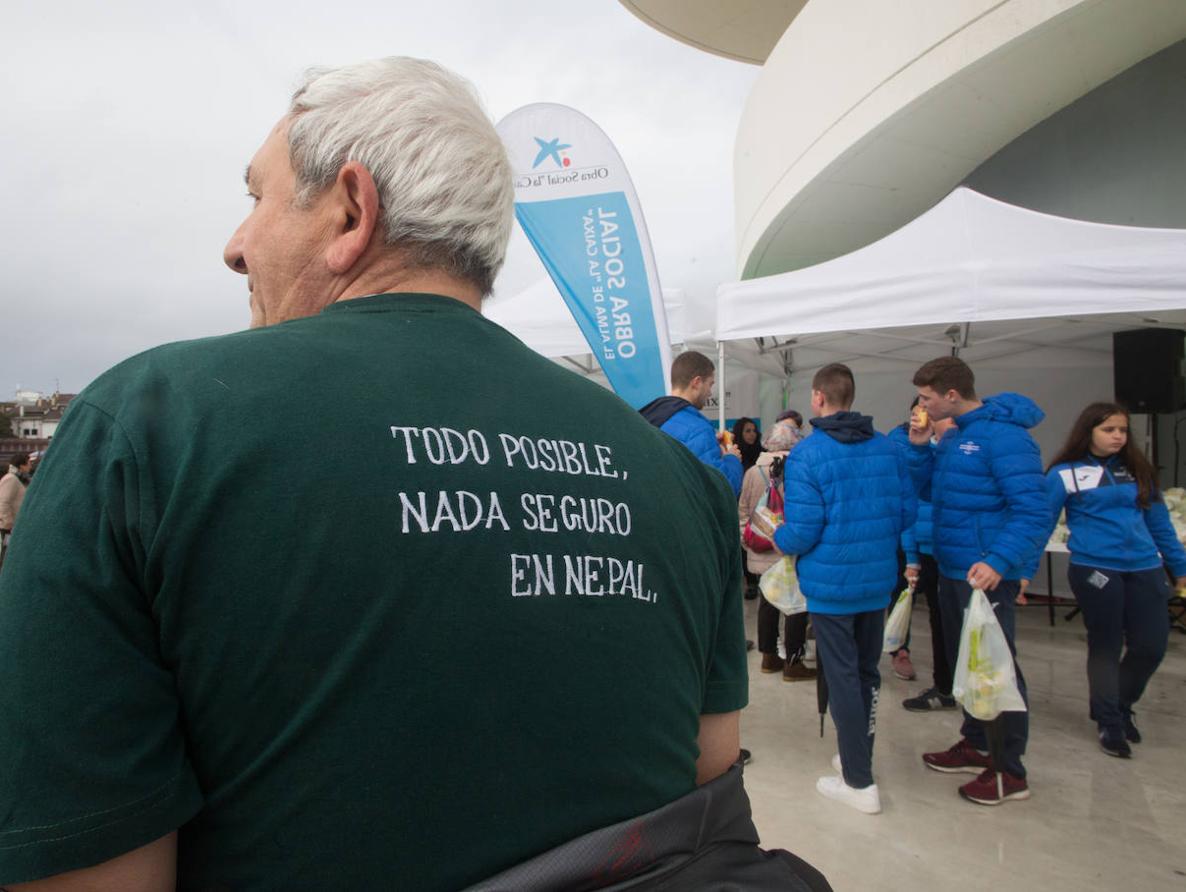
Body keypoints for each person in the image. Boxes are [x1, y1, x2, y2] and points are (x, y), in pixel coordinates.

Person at [0, 58, 781, 890]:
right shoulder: (678, 476)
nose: (235, 247)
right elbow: (708, 805)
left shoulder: (147, 431)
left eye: (255, 199)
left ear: (350, 208)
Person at [754, 364, 915, 815]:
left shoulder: (810, 455)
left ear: (819, 399)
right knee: (866, 673)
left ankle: (859, 782)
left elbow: (802, 532)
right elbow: (905, 516)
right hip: (876, 581)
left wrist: (776, 535)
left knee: (842, 675)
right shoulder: (887, 448)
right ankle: (855, 756)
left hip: (830, 586)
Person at [906, 356, 1048, 806]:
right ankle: (977, 743)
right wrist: (916, 447)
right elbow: (930, 492)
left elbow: (1033, 510)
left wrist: (1001, 560)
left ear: (951, 394)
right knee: (969, 667)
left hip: (983, 575)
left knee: (995, 669)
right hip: (951, 569)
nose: (922, 407)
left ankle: (1009, 770)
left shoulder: (1005, 439)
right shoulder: (953, 438)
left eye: (927, 398)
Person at [1039, 402, 1186, 758]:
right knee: (1104, 644)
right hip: (1094, 568)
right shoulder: (1064, 473)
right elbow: (1041, 522)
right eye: (1109, 430)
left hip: (1144, 567)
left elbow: (1160, 525)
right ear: (1088, 432)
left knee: (1151, 645)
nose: (1118, 436)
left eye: (1122, 430)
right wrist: (1024, 573)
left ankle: (1120, 702)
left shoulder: (1138, 470)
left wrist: (1180, 568)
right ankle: (1110, 721)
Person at [888, 403, 958, 710]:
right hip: (918, 544)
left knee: (945, 618)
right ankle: (900, 650)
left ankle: (950, 684)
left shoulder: (962, 446)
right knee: (905, 599)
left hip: (953, 549)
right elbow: (907, 499)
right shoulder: (903, 441)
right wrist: (912, 554)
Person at [738, 416, 815, 682]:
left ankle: (768, 657)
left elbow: (743, 512)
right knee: (794, 605)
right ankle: (793, 663)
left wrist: (746, 540)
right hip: (790, 548)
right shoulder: (800, 469)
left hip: (759, 547)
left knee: (767, 602)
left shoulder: (752, 472)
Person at [639, 351, 744, 497]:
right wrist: (732, 459)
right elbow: (723, 489)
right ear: (697, 382)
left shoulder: (649, 418)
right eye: (710, 384)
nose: (710, 393)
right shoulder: (697, 428)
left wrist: (712, 445)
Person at [0, 452, 32, 569]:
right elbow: (3, 502)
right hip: (10, 528)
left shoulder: (19, 479)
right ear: (21, 465)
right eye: (28, 463)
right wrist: (9, 524)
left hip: (16, 526)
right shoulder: (11, 479)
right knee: (8, 555)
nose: (30, 466)